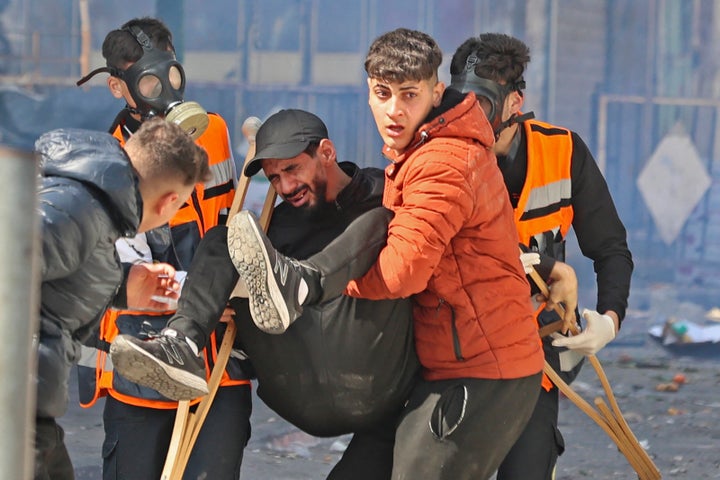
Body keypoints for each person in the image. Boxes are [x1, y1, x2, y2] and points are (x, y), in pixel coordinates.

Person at [224, 28, 546, 479]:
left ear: (435, 93)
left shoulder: (444, 162)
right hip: (437, 365)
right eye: (383, 93)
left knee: (377, 224)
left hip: (482, 370)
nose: (394, 110)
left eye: (409, 95)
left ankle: (302, 284)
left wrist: (332, 293)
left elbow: (401, 275)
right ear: (369, 94)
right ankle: (298, 282)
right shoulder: (420, 150)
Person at [110, 108, 420, 479]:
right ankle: (181, 345)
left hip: (370, 371)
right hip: (301, 381)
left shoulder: (383, 192)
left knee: (385, 220)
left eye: (292, 169)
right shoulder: (279, 224)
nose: (285, 187)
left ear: (326, 152)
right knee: (224, 240)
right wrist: (225, 300)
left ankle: (300, 283)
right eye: (274, 177)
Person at [447, 33, 634, 479]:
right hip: (454, 355)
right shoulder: (442, 157)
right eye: (461, 104)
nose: (471, 119)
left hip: (535, 359)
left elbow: (611, 248)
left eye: (483, 104)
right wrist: (550, 268)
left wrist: (609, 319)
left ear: (514, 101)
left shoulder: (563, 152)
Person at [75, 17, 251, 480]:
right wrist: (203, 300)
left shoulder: (212, 132)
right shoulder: (106, 163)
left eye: (169, 75)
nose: (162, 90)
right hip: (142, 365)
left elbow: (231, 228)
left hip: (219, 365)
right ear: (118, 86)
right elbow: (124, 276)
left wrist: (235, 293)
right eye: (147, 80)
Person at [35, 118, 209, 480]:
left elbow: (49, 278)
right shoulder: (78, 207)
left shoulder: (92, 204)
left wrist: (124, 286)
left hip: (30, 412)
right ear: (169, 202)